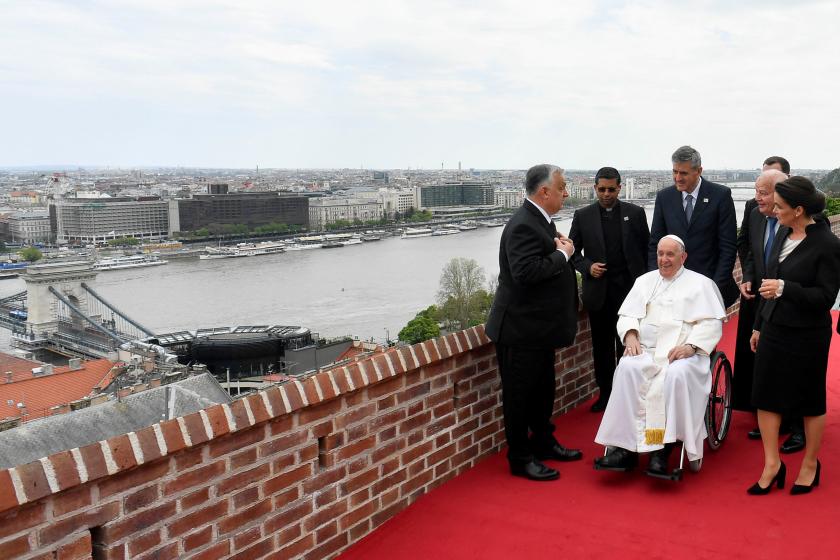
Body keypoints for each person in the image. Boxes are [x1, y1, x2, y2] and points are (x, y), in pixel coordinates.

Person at [594, 235, 726, 476]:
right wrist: (631, 335)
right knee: (627, 369)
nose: (663, 260)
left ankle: (663, 449)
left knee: (675, 376)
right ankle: (626, 449)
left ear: (683, 257)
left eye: (670, 255)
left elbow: (711, 325)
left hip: (683, 354)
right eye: (660, 254)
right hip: (647, 351)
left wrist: (692, 346)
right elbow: (627, 315)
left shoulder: (701, 284)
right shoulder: (644, 281)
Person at [485, 164, 583, 481]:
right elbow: (525, 274)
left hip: (538, 330)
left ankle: (542, 441)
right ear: (545, 191)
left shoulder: (541, 222)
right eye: (562, 187)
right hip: (519, 330)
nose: (566, 193)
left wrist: (559, 249)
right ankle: (520, 457)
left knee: (542, 392)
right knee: (519, 397)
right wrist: (563, 255)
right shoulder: (523, 225)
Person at [747, 177, 840, 495]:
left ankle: (811, 465)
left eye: (780, 206)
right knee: (765, 396)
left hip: (808, 334)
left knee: (809, 401)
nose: (773, 209)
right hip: (774, 327)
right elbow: (767, 284)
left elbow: (825, 298)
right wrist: (759, 324)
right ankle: (772, 464)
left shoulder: (827, 245)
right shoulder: (782, 234)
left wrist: (787, 289)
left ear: (798, 210)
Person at [569, 167, 649, 412]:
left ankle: (631, 393)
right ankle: (606, 394)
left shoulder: (635, 213)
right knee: (602, 347)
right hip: (599, 293)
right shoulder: (582, 216)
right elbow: (572, 253)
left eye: (611, 189)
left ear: (619, 188)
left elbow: (648, 250)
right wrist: (588, 267)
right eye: (601, 189)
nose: (606, 194)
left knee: (629, 345)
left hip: (630, 293)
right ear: (594, 188)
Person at [734, 158, 796, 443]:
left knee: (782, 364)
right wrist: (748, 275)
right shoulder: (757, 214)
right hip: (758, 298)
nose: (755, 197)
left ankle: (791, 420)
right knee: (761, 360)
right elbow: (751, 251)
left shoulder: (799, 223)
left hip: (787, 303)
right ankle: (766, 414)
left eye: (762, 192)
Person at [648, 146, 739, 308]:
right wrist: (658, 282)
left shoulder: (720, 195)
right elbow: (655, 243)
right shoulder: (664, 197)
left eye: (683, 173)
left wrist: (714, 288)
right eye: (674, 172)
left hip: (708, 286)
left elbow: (728, 248)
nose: (677, 178)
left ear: (699, 171)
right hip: (672, 287)